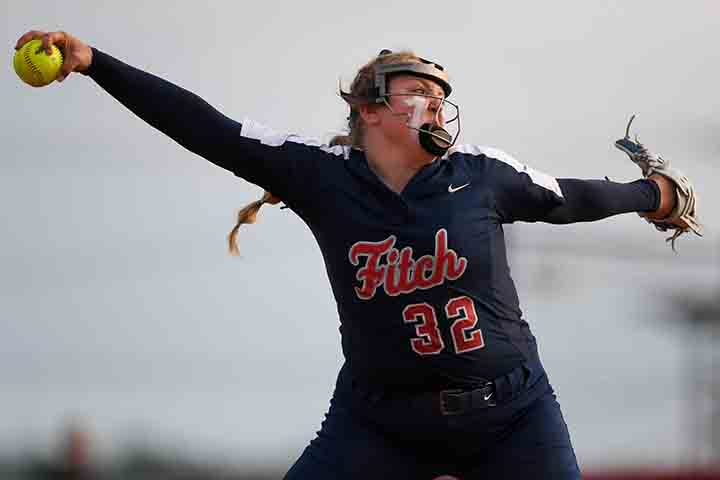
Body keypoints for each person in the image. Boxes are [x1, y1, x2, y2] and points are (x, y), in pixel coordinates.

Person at [14, 30, 695, 479]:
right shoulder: (319, 174)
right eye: (418, 90)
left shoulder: (481, 174)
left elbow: (568, 196)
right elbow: (205, 128)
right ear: (370, 109)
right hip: (381, 421)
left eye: (441, 95)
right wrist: (95, 63)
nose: (436, 103)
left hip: (509, 414)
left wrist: (651, 191)